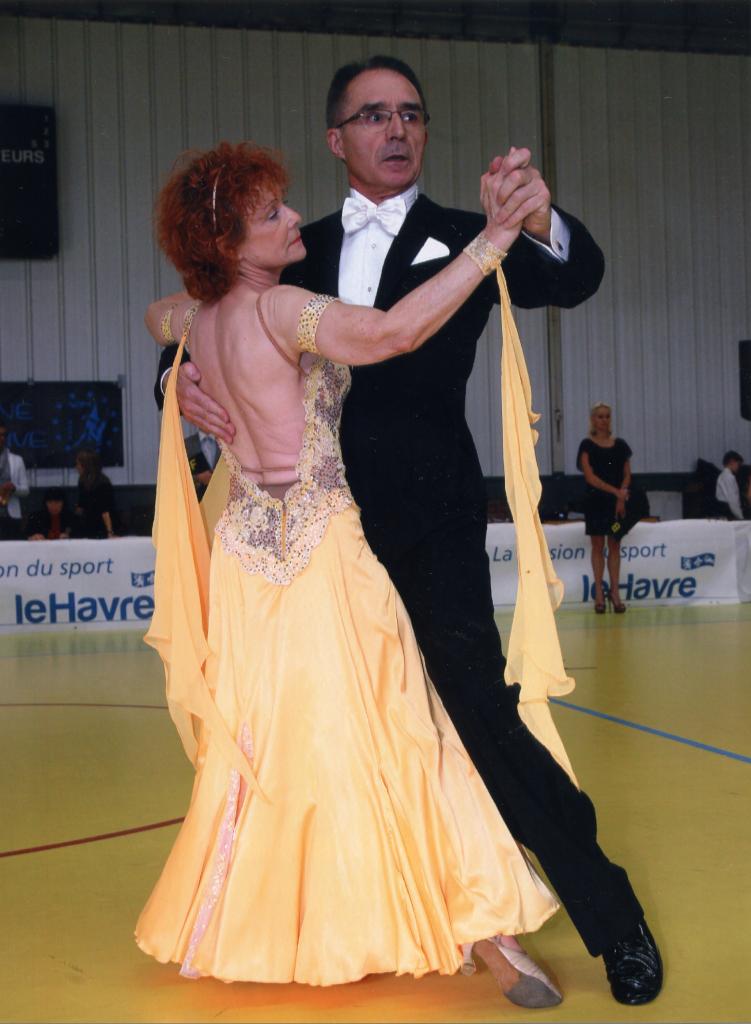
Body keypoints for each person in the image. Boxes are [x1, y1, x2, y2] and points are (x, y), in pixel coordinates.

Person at [154, 57, 662, 1005]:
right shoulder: (289, 248)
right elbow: (193, 324)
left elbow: (577, 276)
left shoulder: (468, 234)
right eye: (373, 115)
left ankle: (613, 921)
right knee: (328, 736)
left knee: (479, 719)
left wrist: (534, 218)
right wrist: (176, 382)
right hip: (317, 541)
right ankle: (397, 915)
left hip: (428, 525)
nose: (396, 129)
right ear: (335, 138)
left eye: (412, 114)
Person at [576, 403, 633, 613]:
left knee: (615, 544)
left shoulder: (621, 445)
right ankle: (599, 593)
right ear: (593, 419)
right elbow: (590, 477)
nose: (604, 420)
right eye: (600, 416)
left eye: (607, 416)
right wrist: (615, 492)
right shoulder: (586, 445)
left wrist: (621, 495)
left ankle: (615, 593)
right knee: (598, 546)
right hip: (596, 503)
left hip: (616, 505)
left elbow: (627, 474)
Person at [71, 449, 116, 539]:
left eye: (78, 464)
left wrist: (109, 531)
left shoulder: (103, 482)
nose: (76, 467)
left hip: (101, 525)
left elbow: (105, 510)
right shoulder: (82, 481)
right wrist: (70, 529)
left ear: (85, 465)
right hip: (88, 523)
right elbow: (81, 506)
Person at [0, 419, 30, 541]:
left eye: (3, 435)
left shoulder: (17, 460)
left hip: (12, 515)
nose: (1, 438)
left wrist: (14, 488)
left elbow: (26, 490)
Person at [715, 449, 744, 520]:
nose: (738, 467)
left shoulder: (722, 476)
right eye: (738, 464)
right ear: (732, 462)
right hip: (728, 511)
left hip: (724, 509)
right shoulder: (728, 477)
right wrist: (740, 516)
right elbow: (732, 499)